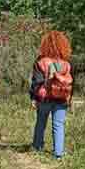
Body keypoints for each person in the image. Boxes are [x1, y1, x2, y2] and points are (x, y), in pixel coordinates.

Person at [30, 31, 74, 159]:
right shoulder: (66, 63)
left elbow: (36, 82)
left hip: (45, 98)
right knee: (58, 125)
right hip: (61, 98)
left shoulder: (41, 61)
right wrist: (69, 98)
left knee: (41, 122)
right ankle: (58, 153)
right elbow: (71, 81)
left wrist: (33, 97)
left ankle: (37, 147)